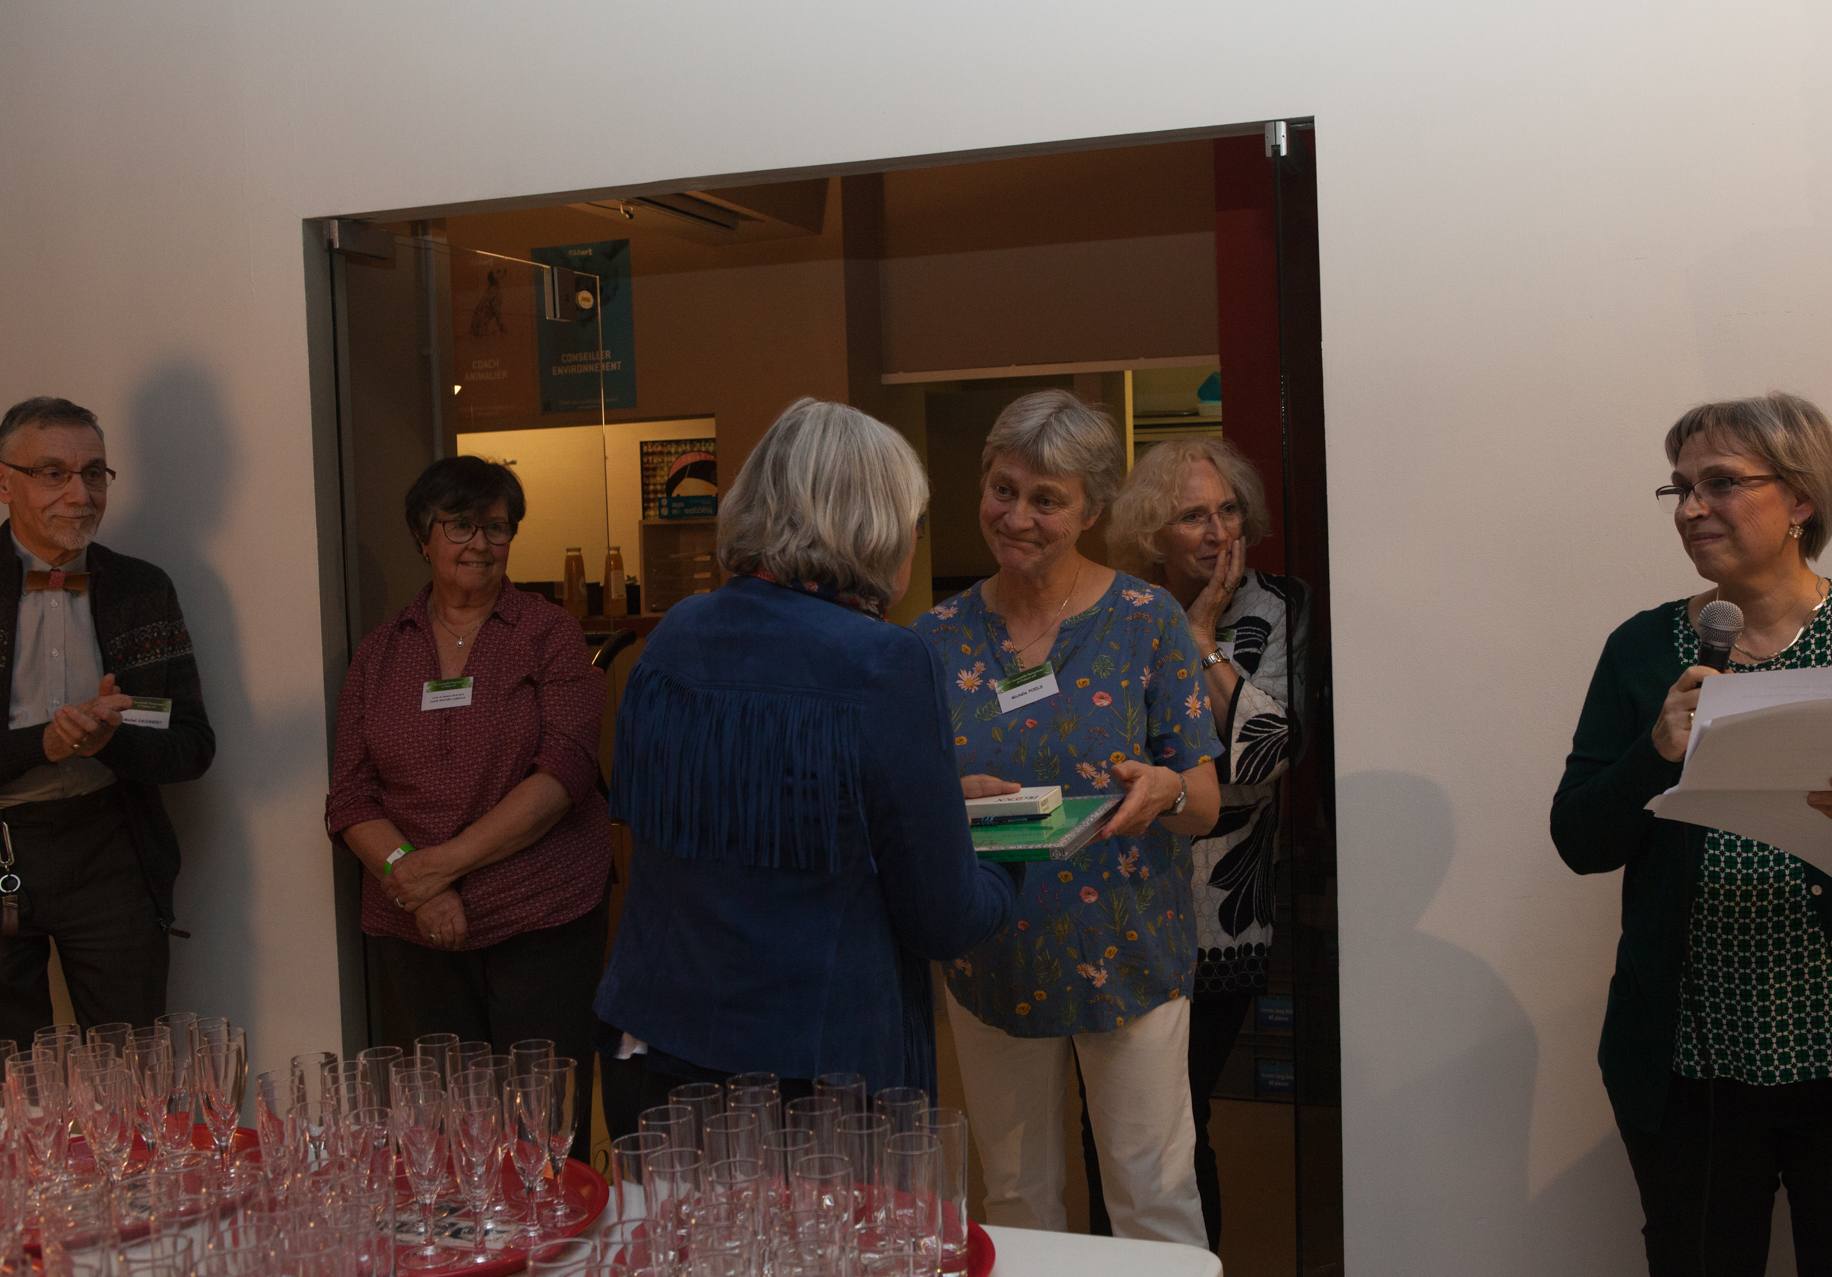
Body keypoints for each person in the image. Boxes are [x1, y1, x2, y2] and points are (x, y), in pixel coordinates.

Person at [1550, 392, 1832, 1274]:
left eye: (1720, 483)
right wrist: (1654, 753)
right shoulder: (1645, 649)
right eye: (1680, 488)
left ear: (1800, 498)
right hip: (1694, 1065)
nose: (1691, 508)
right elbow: (1579, 839)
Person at [593, 399, 1020, 1133]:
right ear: (877, 526)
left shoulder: (677, 632)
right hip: (810, 1080)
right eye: (913, 521)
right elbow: (944, 920)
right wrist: (1013, 843)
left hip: (654, 1049)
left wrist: (930, 801)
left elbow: (728, 811)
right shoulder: (885, 660)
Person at [914, 390, 1222, 1247]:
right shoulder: (934, 639)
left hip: (1128, 954)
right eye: (1003, 490)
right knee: (1016, 1203)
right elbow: (904, 807)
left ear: (1092, 509)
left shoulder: (1146, 622)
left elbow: (1204, 802)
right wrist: (945, 801)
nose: (1017, 517)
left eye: (1046, 499)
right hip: (992, 957)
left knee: (1153, 1200)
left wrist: (1163, 789)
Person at [325, 455, 611, 1154]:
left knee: (544, 1131)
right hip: (416, 928)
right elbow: (351, 795)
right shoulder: (379, 654)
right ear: (423, 537)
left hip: (540, 912)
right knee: (452, 1132)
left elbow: (566, 772)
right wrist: (415, 882)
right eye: (460, 526)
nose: (480, 544)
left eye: (497, 527)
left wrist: (438, 868)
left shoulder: (550, 634)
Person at [1090, 435, 1309, 1253]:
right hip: (1123, 907)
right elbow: (1103, 752)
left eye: (1228, 511)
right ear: (1152, 532)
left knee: (1176, 1123)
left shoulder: (1277, 606)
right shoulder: (1116, 611)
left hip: (1222, 918)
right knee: (1111, 1125)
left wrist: (1202, 635)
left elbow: (1265, 753)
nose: (1218, 532)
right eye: (1193, 516)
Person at [0, 397, 214, 1043]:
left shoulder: (141, 588)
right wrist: (48, 741)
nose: (80, 493)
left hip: (112, 850)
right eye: (53, 473)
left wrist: (107, 741)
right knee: (12, 1073)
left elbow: (192, 746)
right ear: (5, 483)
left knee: (131, 1063)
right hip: (5, 837)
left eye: (93, 473)